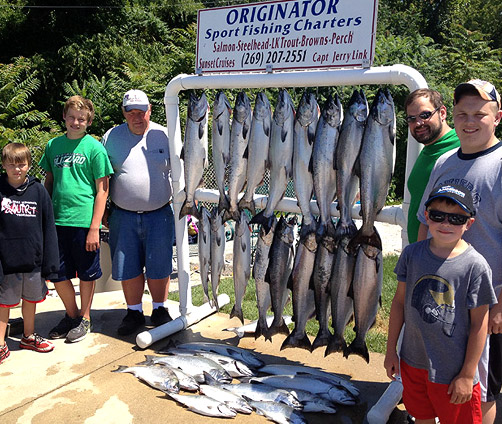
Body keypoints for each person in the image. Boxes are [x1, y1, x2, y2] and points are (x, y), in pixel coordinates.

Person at [417, 80, 502, 424]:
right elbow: (426, 220)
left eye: (479, 114)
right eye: (462, 113)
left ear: (498, 117)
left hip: (486, 306)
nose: (469, 121)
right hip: (439, 299)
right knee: (441, 382)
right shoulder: (445, 162)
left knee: (482, 390)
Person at [386, 183, 496, 424]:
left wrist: (467, 374)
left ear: (469, 223)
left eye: (457, 218)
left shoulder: (476, 267)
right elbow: (399, 304)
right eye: (438, 215)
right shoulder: (411, 254)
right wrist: (390, 350)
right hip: (413, 363)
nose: (446, 224)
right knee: (421, 417)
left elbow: (480, 324)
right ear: (427, 216)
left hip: (453, 372)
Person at [39, 95, 113, 343]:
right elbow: (48, 182)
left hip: (84, 221)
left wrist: (95, 226)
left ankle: (85, 318)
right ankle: (71, 316)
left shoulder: (95, 149)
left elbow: (103, 190)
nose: (75, 122)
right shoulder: (53, 146)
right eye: (71, 117)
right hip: (56, 222)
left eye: (81, 118)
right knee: (58, 274)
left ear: (88, 121)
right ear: (64, 117)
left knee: (86, 273)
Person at [102, 89, 175, 336]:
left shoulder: (165, 134)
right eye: (131, 112)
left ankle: (159, 309)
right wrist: (102, 210)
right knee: (128, 265)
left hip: (160, 212)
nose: (137, 117)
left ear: (150, 110)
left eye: (141, 111)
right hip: (123, 214)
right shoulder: (110, 137)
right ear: (123, 113)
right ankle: (133, 312)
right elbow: (102, 177)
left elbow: (186, 167)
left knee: (160, 264)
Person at [0, 143, 59, 362]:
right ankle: (0, 343)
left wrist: (49, 263)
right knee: (3, 303)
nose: (17, 169)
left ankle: (28, 336)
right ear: (4, 164)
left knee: (31, 300)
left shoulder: (38, 191)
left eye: (21, 164)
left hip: (33, 261)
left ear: (29, 165)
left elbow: (48, 226)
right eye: (12, 164)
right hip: (7, 263)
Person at [405, 88, 460, 244]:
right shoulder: (428, 149)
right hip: (420, 255)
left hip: (443, 258)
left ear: (442, 113)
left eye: (425, 115)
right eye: (411, 118)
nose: (418, 123)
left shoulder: (461, 147)